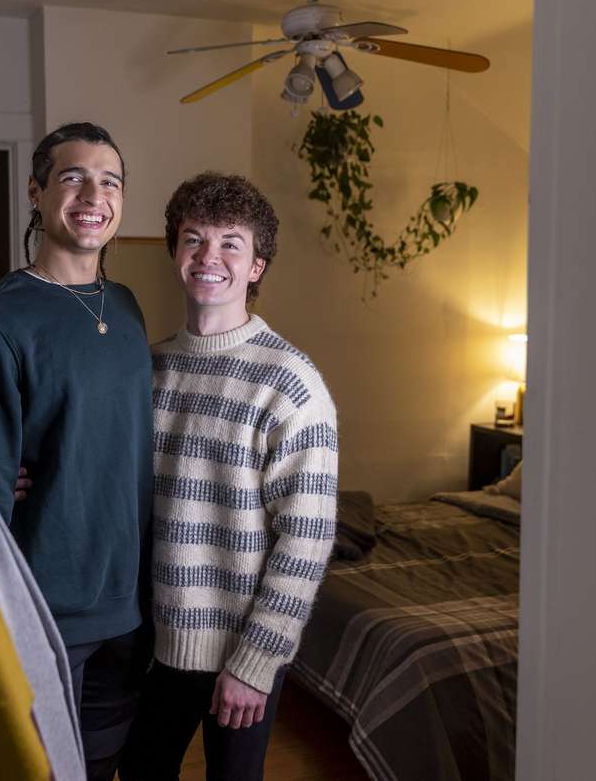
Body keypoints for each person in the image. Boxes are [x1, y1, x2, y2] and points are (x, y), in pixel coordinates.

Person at [0, 122, 153, 781]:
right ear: (35, 192)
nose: (94, 193)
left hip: (131, 606)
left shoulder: (126, 305)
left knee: (102, 764)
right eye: (72, 177)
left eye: (109, 180)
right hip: (46, 615)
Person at [118, 172, 339, 781]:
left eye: (230, 243)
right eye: (193, 239)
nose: (208, 257)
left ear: (257, 266)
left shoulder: (291, 384)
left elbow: (306, 539)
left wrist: (255, 663)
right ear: (174, 254)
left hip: (237, 658)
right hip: (152, 644)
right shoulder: (151, 367)